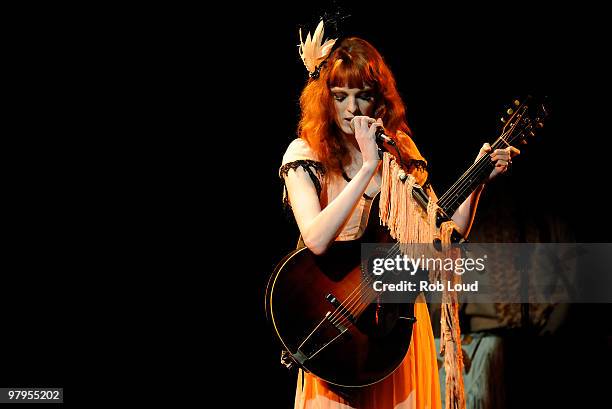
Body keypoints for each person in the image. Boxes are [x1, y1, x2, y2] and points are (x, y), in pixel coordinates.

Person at [279, 23, 518, 409]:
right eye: (340, 96)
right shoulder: (305, 153)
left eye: (364, 96)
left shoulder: (400, 151)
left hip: (395, 322)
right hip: (339, 323)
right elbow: (316, 238)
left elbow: (444, 235)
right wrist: (366, 168)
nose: (352, 109)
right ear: (325, 99)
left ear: (380, 101)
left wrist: (478, 180)